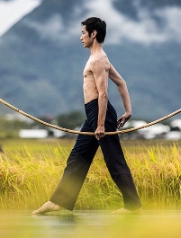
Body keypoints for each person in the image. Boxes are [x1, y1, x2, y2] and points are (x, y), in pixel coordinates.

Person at [32, 17, 142, 215]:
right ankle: (60, 201)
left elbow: (103, 93)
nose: (80, 37)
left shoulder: (98, 60)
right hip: (94, 114)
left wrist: (100, 124)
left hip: (101, 113)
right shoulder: (99, 58)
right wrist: (128, 111)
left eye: (83, 32)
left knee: (114, 160)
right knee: (77, 158)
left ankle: (133, 206)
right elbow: (122, 83)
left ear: (93, 34)